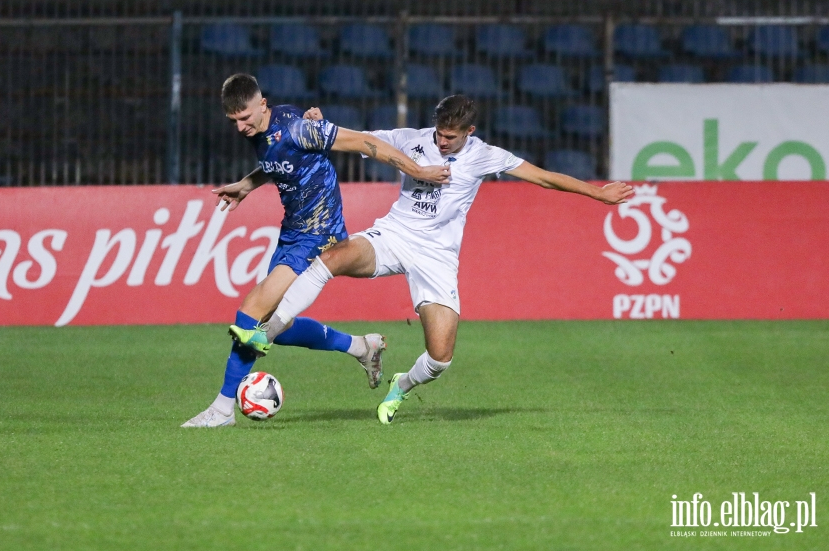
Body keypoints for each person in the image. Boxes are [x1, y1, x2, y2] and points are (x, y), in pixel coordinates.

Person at [229, 94, 634, 424]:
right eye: (439, 134)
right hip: (394, 235)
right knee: (333, 255)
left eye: (450, 137)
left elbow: (544, 177)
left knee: (440, 357)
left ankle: (400, 387)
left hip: (437, 258)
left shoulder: (485, 156)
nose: (441, 143)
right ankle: (268, 333)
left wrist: (597, 193)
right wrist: (320, 121)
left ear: (469, 133)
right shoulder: (412, 138)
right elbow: (358, 138)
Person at [182, 74, 450, 427]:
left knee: (249, 315)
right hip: (292, 232)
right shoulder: (270, 128)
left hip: (319, 233)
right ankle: (361, 347)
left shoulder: (299, 128)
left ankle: (221, 410)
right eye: (234, 121)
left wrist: (419, 171)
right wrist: (248, 185)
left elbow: (366, 143)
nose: (241, 127)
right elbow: (279, 162)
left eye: (245, 118)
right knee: (274, 324)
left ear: (262, 104)